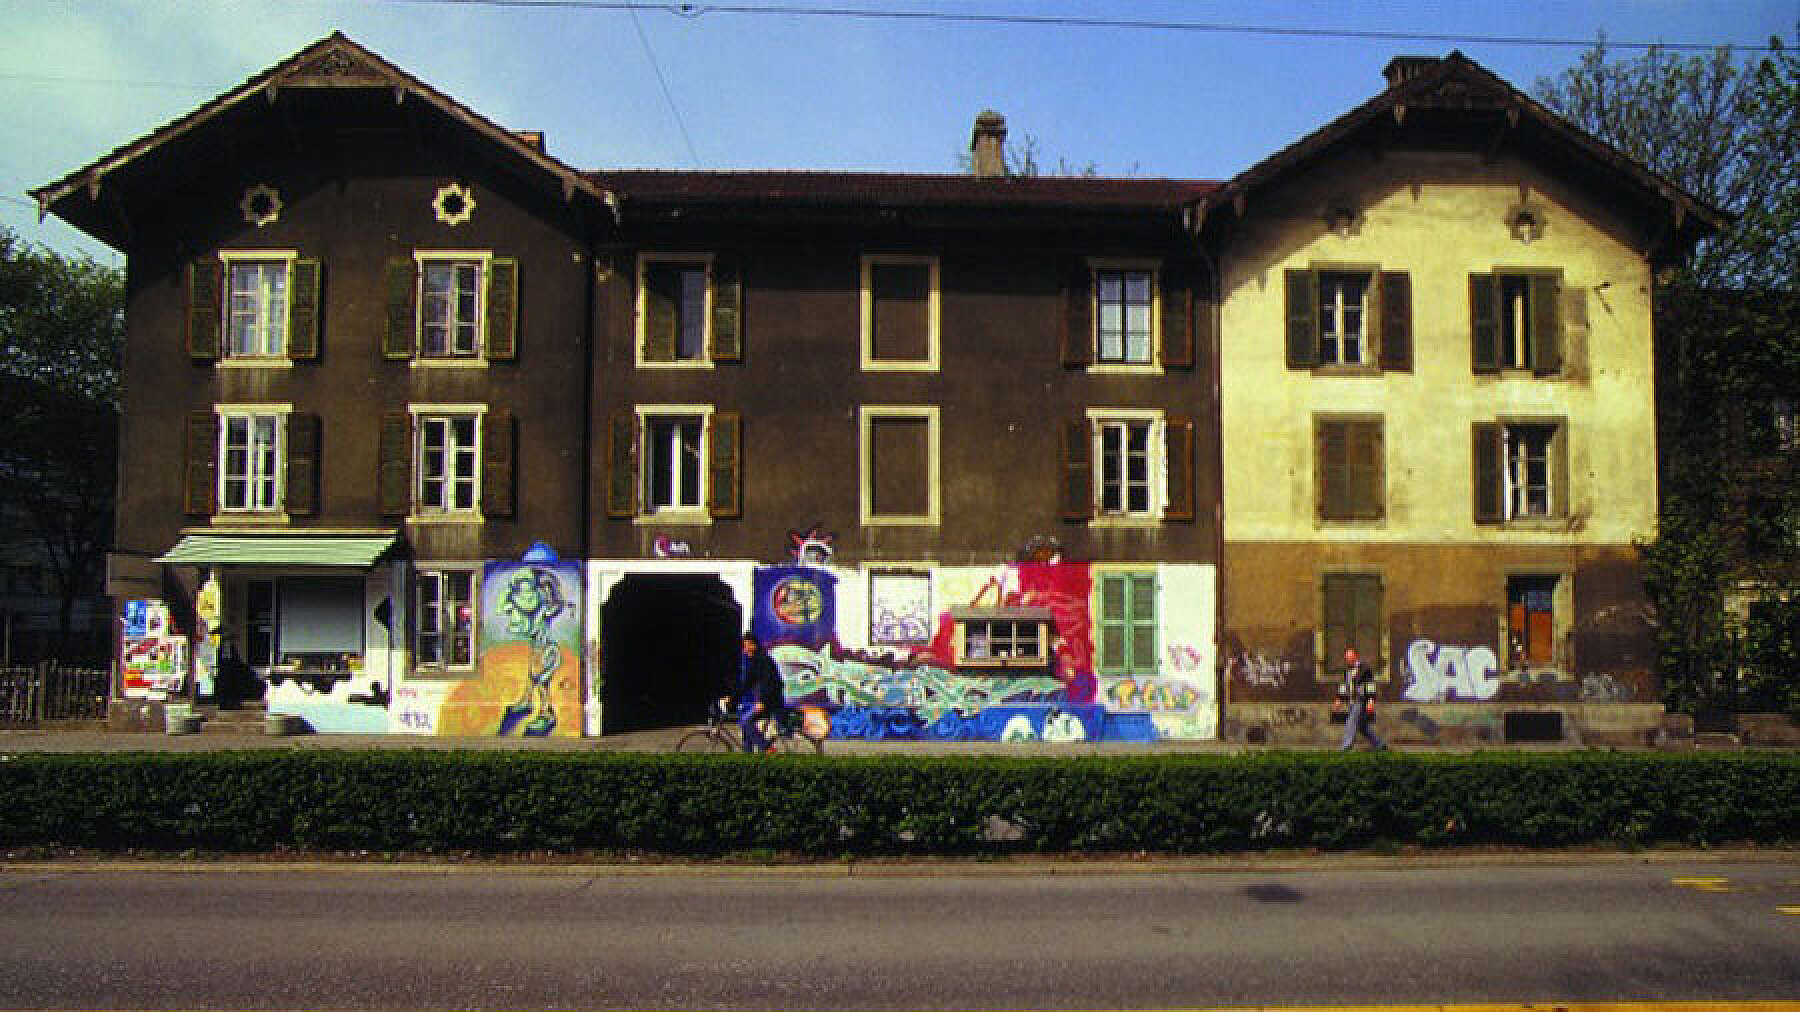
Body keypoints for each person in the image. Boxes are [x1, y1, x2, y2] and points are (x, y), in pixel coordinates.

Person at [735, 633, 785, 754]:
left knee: (746, 721)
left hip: (771, 701)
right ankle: (748, 756)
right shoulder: (754, 662)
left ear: (753, 645)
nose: (744, 649)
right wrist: (731, 698)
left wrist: (762, 701)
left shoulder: (763, 660)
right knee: (745, 725)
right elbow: (747, 684)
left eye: (746, 646)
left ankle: (766, 748)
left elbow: (769, 683)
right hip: (766, 700)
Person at [1338, 646, 1387, 751]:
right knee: (1362, 726)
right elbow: (1344, 685)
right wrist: (1339, 699)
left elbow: (1370, 685)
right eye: (1347, 658)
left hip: (1361, 700)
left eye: (1350, 657)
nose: (1348, 660)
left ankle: (1346, 746)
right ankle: (1380, 744)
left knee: (1351, 722)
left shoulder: (1365, 669)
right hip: (1351, 700)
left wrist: (1371, 701)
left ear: (1356, 656)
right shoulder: (1347, 670)